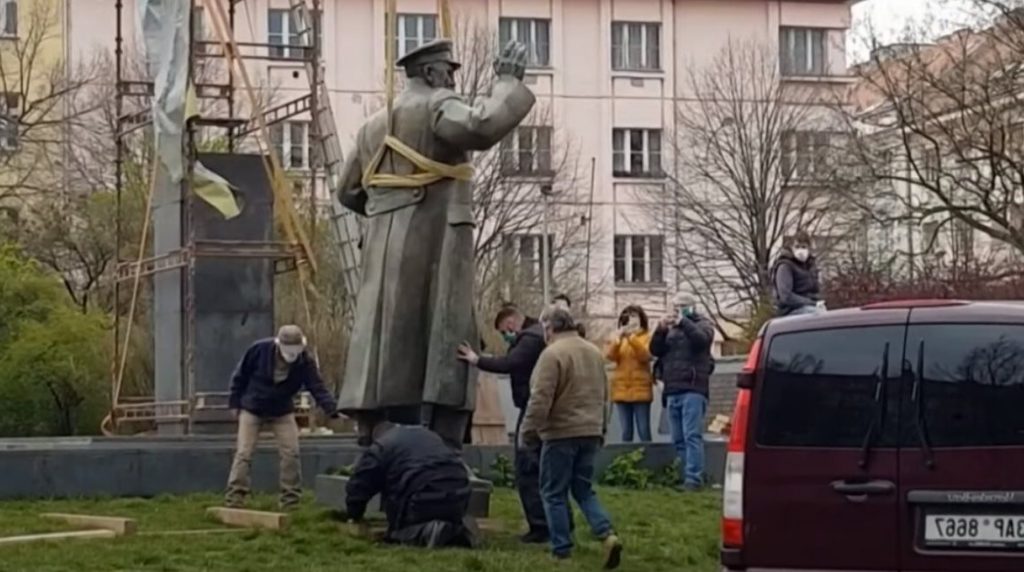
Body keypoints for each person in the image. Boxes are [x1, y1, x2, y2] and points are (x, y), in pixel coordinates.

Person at [335, 38, 536, 448]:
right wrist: (507, 82)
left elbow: (347, 191)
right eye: (449, 71)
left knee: (383, 332)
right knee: (443, 328)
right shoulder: (436, 106)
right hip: (435, 239)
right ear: (430, 73)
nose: (452, 79)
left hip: (382, 243)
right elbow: (482, 126)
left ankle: (374, 430)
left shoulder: (373, 125)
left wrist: (385, 209)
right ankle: (441, 441)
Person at [521, 308, 623, 568]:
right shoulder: (593, 352)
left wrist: (529, 431)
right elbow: (604, 395)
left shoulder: (552, 354)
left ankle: (561, 549)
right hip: (590, 430)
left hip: (560, 433)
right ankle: (607, 534)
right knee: (583, 489)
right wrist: (602, 429)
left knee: (553, 492)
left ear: (548, 328)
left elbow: (540, 397)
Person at [456, 305, 558, 543]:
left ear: (511, 323)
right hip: (539, 407)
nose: (505, 336)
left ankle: (540, 526)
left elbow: (510, 363)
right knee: (543, 467)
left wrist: (476, 360)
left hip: (534, 408)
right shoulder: (536, 334)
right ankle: (554, 523)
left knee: (526, 466)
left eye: (504, 331)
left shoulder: (529, 339)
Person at [225, 325, 339, 509]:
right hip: (253, 408)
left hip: (282, 410)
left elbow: (317, 387)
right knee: (244, 453)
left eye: (296, 350)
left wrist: (332, 409)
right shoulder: (259, 350)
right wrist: (234, 403)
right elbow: (240, 376)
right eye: (289, 350)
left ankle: (290, 500)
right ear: (279, 345)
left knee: (291, 453)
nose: (292, 355)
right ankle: (235, 497)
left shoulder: (305, 361)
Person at [345, 422, 477, 548]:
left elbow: (360, 485)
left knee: (402, 528)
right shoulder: (428, 435)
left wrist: (354, 515)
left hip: (421, 496)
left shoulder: (380, 447)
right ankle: (451, 528)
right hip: (458, 493)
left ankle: (424, 532)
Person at [650, 294, 715, 491]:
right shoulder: (670, 329)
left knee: (692, 435)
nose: (678, 309)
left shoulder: (703, 324)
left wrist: (684, 322)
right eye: (676, 306)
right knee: (677, 437)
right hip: (672, 388)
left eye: (683, 306)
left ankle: (694, 478)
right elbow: (655, 350)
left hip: (693, 387)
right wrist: (660, 330)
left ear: (692, 307)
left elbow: (701, 341)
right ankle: (685, 474)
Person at [605, 305, 654, 443]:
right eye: (627, 317)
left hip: (640, 389)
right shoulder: (617, 337)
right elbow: (610, 355)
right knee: (626, 432)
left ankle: (647, 460)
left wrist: (632, 338)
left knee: (644, 430)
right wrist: (618, 340)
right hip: (622, 389)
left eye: (634, 316)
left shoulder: (647, 337)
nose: (631, 321)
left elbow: (645, 355)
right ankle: (627, 461)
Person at [772, 231, 825, 317]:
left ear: (809, 248)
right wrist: (812, 303)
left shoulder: (811, 266)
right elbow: (786, 296)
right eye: (797, 247)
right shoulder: (785, 266)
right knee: (818, 315)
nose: (800, 250)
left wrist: (818, 301)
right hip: (790, 310)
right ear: (792, 248)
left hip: (810, 307)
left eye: (803, 247)